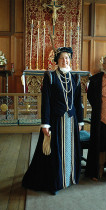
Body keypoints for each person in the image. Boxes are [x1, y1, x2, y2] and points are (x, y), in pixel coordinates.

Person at [22, 47, 83, 195]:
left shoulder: (75, 78)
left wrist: (80, 121)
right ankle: (55, 182)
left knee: (70, 150)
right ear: (57, 61)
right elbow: (46, 102)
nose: (65, 60)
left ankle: (69, 177)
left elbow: (78, 102)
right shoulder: (50, 77)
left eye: (67, 58)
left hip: (71, 121)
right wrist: (45, 124)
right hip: (56, 121)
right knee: (55, 153)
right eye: (62, 58)